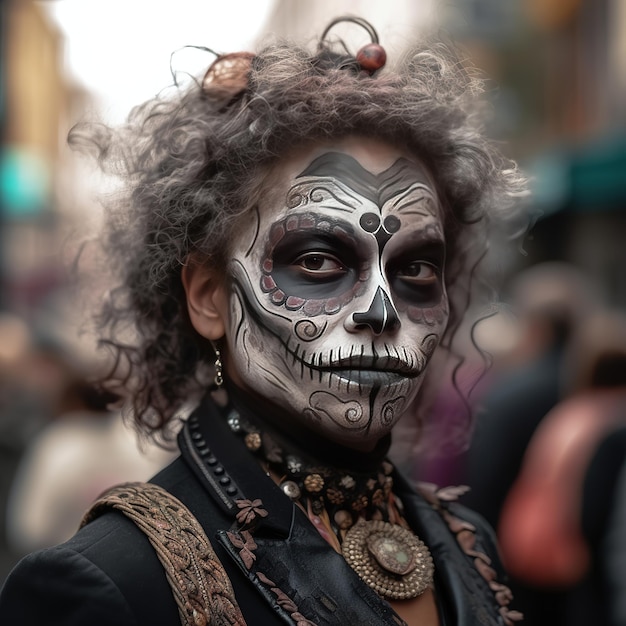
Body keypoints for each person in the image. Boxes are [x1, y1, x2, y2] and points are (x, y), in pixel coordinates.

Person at [0, 16, 527, 625]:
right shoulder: (114, 582)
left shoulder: (469, 545)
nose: (382, 312)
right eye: (316, 260)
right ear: (206, 297)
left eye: (414, 271)